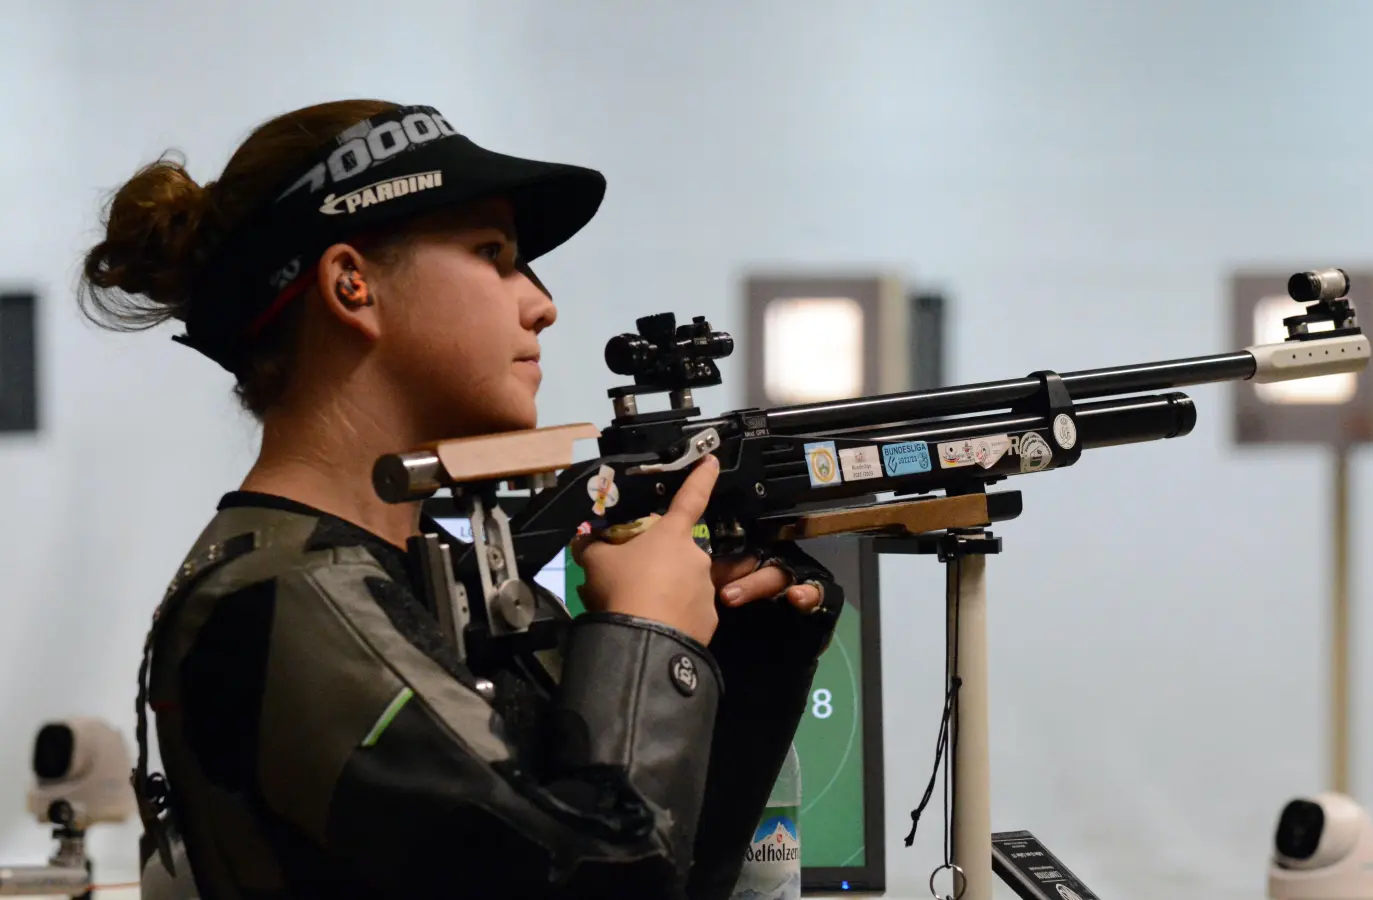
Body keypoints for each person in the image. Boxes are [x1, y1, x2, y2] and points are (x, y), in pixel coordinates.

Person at [79, 100, 844, 899]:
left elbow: (672, 871)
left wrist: (757, 646)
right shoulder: (280, 600)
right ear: (351, 284)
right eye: (495, 253)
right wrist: (645, 639)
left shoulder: (418, 575)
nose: (541, 302)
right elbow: (595, 883)